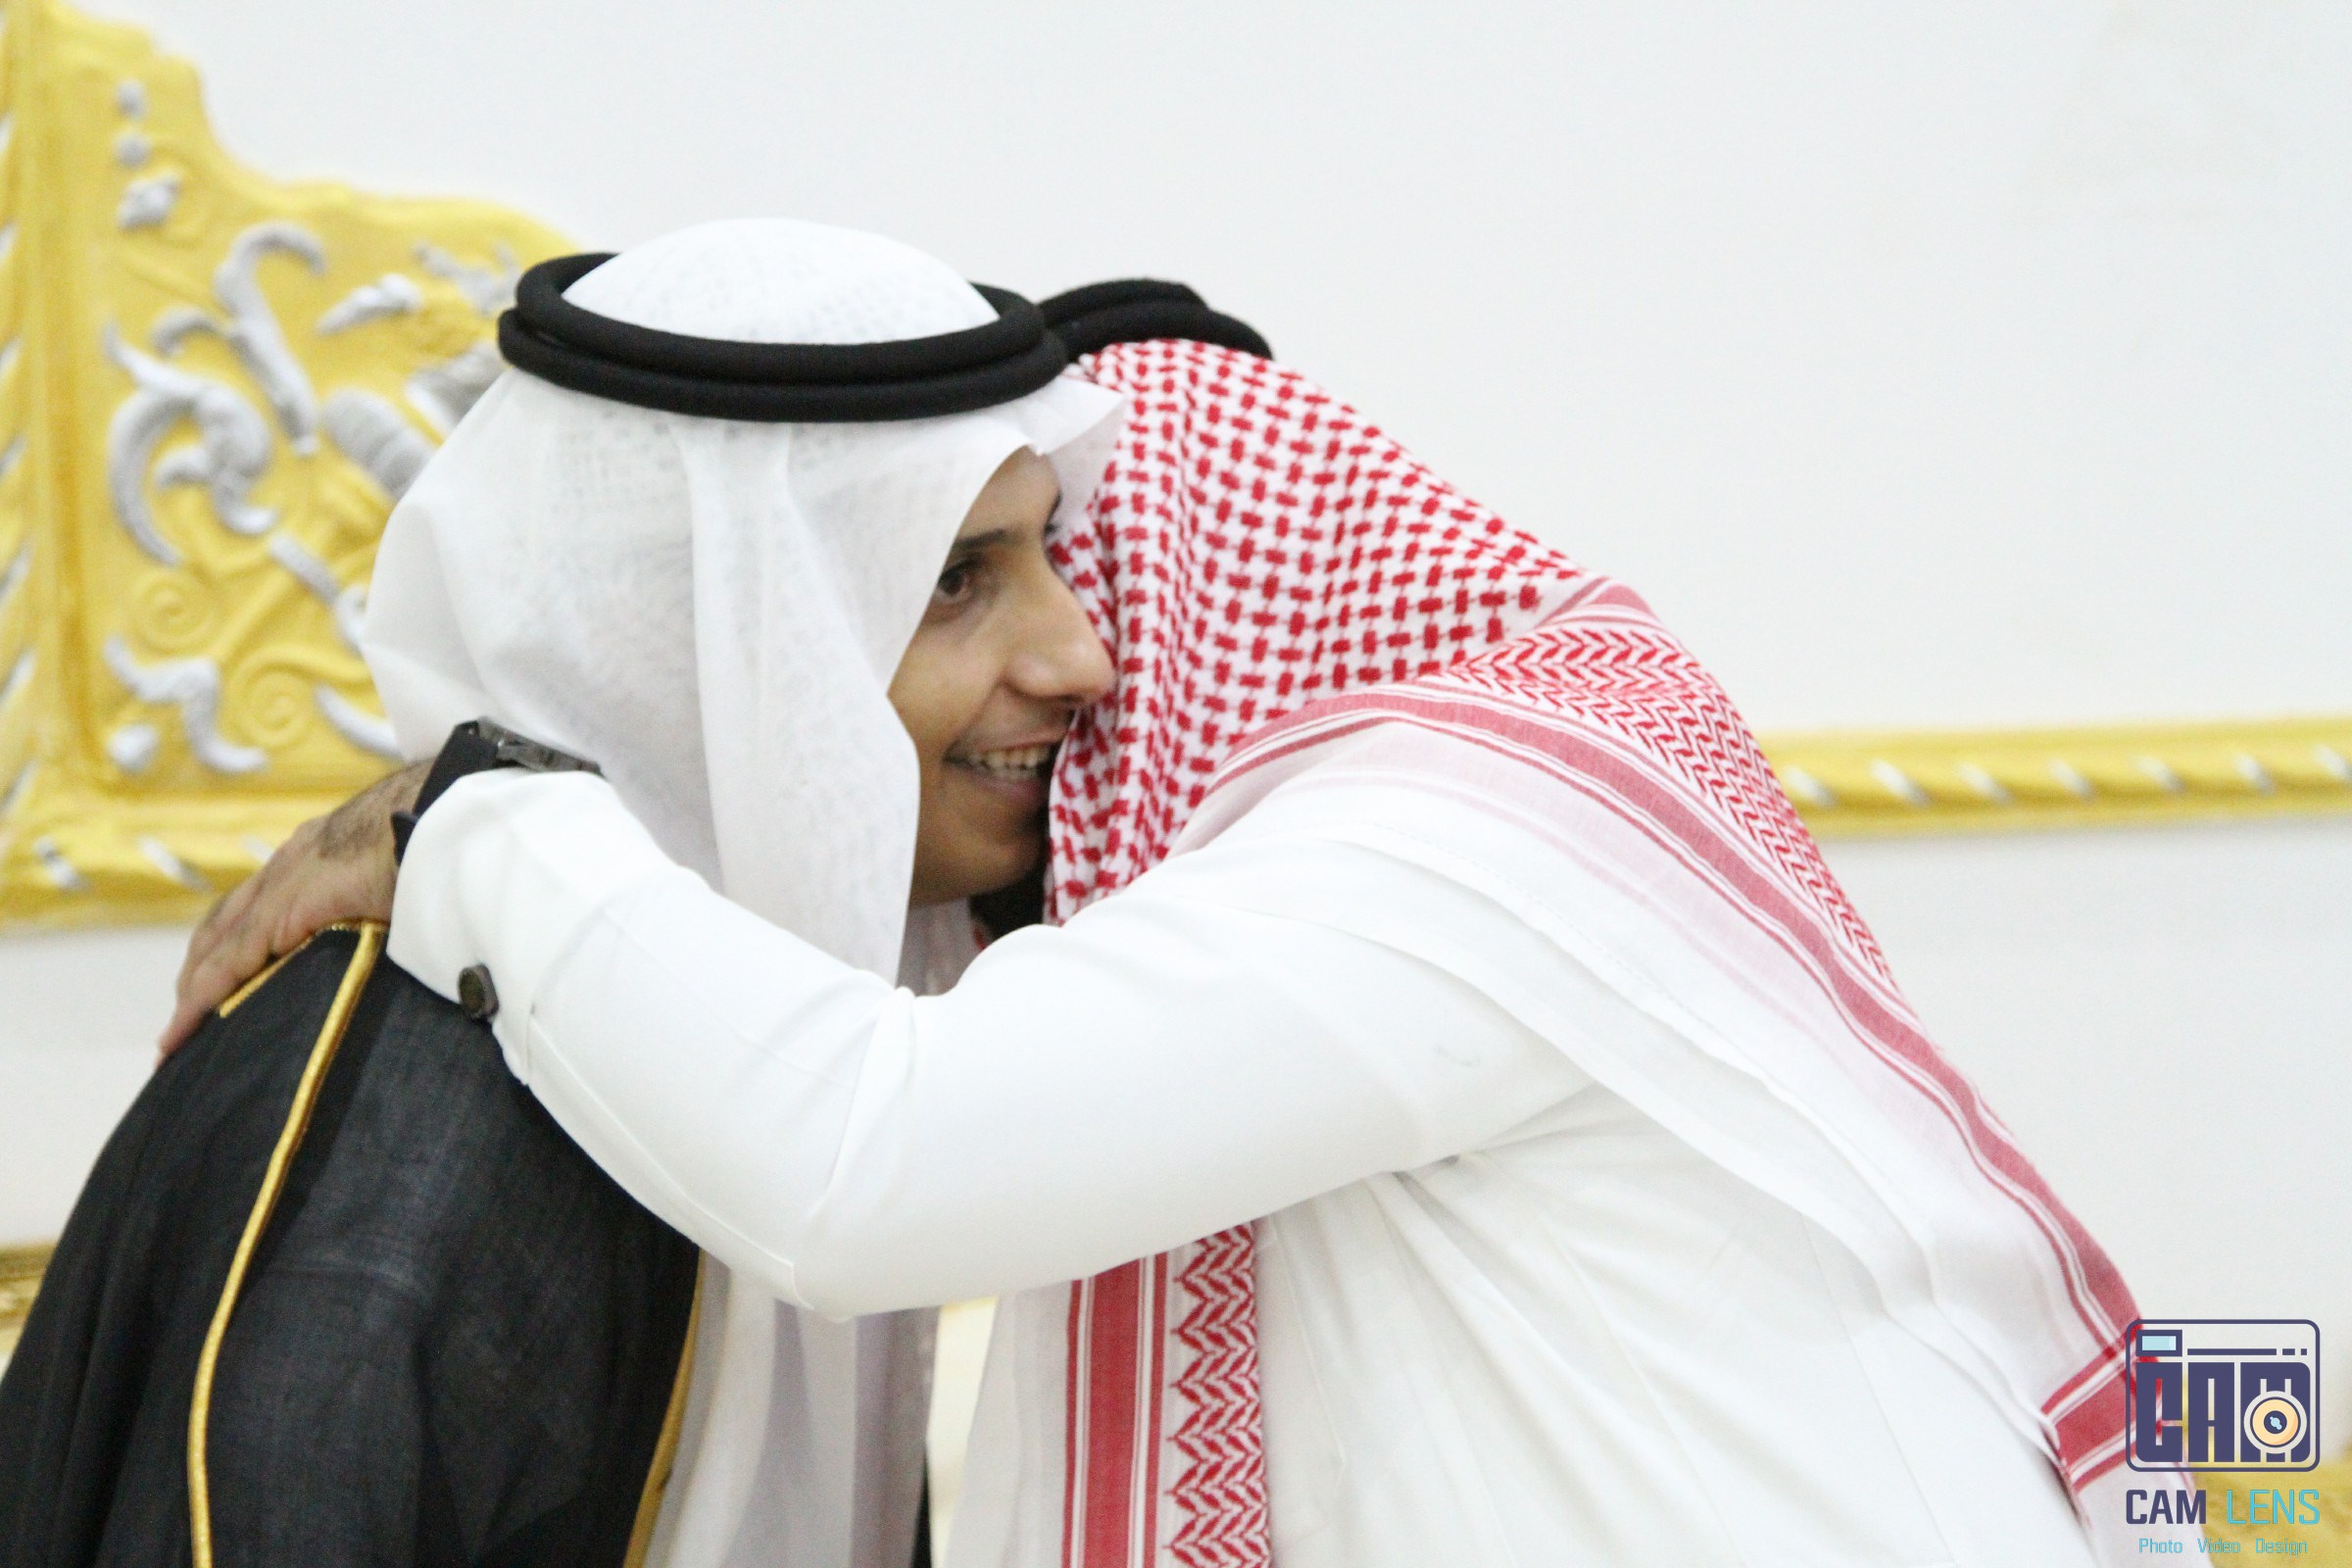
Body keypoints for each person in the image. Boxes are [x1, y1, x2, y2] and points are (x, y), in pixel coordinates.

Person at [170, 219, 2187, 1566]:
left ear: (1219, 569)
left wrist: (479, 816)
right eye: (961, 578)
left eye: (1086, 562)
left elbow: (866, 1161)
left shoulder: (1436, 855)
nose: (1082, 656)